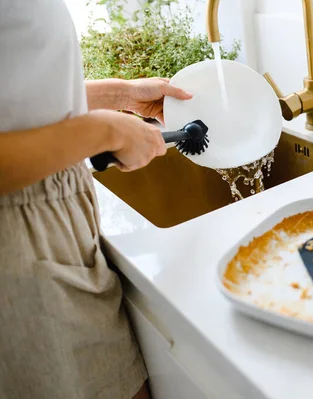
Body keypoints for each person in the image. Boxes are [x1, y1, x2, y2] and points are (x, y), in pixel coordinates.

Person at [0, 1, 193, 397]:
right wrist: (104, 132)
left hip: (48, 231)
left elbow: (15, 96)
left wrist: (119, 94)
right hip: (17, 253)